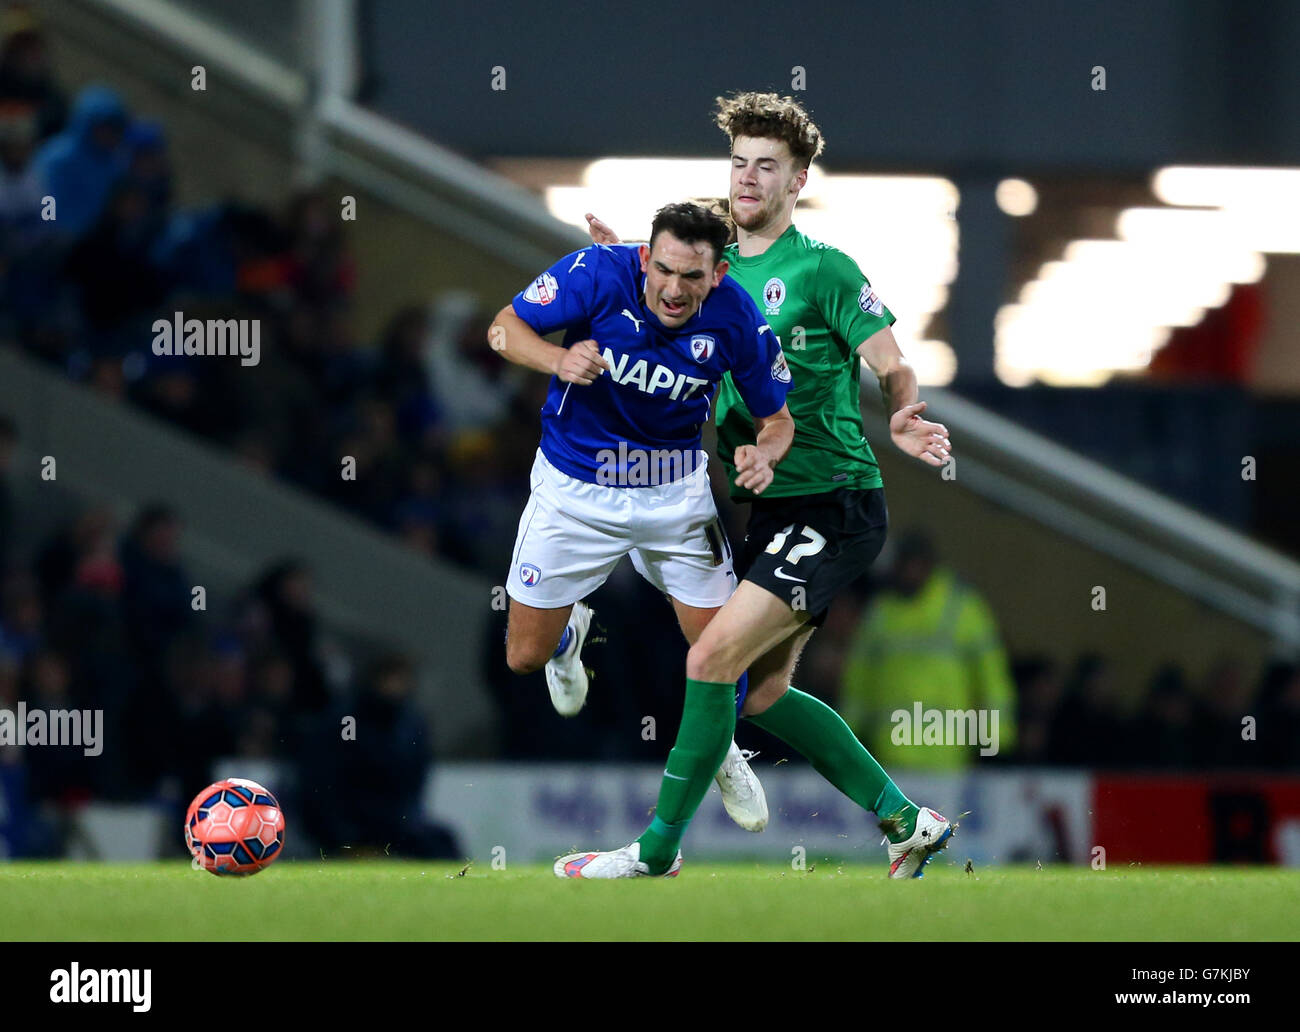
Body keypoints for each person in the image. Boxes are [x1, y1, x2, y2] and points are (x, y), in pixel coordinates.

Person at [556, 92, 954, 880]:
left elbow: (892, 361)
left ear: (797, 179)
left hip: (834, 500)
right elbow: (664, 281)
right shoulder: (714, 259)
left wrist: (903, 410)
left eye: (766, 166)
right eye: (738, 162)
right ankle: (906, 822)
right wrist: (616, 258)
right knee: (762, 695)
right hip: (769, 504)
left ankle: (654, 853)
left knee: (710, 659)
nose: (746, 178)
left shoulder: (823, 268)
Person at [489, 201, 794, 832]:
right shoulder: (594, 273)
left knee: (722, 650)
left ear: (718, 274)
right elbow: (502, 328)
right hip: (575, 489)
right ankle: (570, 634)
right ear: (645, 257)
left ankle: (722, 750)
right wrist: (556, 360)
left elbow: (777, 419)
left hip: (674, 498)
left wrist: (763, 455)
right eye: (666, 270)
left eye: (693, 277)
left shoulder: (739, 318)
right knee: (523, 656)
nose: (675, 289)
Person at [839, 530, 1017, 770]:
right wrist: (848, 736)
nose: (910, 571)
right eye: (905, 564)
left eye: (916, 564)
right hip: (890, 755)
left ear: (930, 565)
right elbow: (858, 681)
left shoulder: (962, 607)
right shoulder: (881, 612)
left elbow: (991, 674)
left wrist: (996, 738)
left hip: (947, 756)